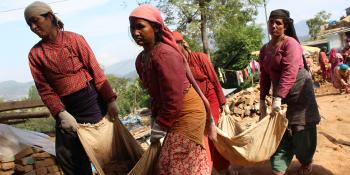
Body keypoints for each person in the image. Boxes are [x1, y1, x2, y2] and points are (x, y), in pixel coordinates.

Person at [24, 1, 119, 174]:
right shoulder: (35, 54)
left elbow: (95, 69)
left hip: (92, 104)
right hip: (67, 110)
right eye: (29, 24)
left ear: (50, 17)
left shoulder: (74, 39)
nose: (33, 26)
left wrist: (110, 100)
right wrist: (61, 113)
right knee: (68, 156)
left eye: (36, 20)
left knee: (106, 154)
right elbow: (45, 89)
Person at [129, 4, 217, 175]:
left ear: (155, 27)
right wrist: (156, 117)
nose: (135, 32)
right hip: (172, 113)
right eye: (132, 28)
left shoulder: (164, 54)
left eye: (140, 27)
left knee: (178, 162)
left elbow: (173, 97)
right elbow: (155, 94)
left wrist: (161, 124)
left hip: (188, 112)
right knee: (167, 163)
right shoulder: (142, 59)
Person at [259, 9, 321, 175]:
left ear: (285, 26)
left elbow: (290, 71)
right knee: (279, 130)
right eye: (271, 22)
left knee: (301, 130)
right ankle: (279, 165)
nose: (273, 25)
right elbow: (264, 75)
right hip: (280, 93)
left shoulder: (291, 44)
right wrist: (261, 98)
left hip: (300, 93)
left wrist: (278, 97)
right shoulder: (264, 49)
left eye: (278, 23)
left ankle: (306, 160)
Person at [172, 31, 238, 174]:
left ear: (182, 43)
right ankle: (219, 167)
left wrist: (223, 102)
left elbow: (214, 79)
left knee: (210, 134)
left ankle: (222, 167)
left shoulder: (200, 58)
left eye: (175, 44)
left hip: (211, 99)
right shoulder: (176, 66)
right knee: (202, 138)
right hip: (195, 105)